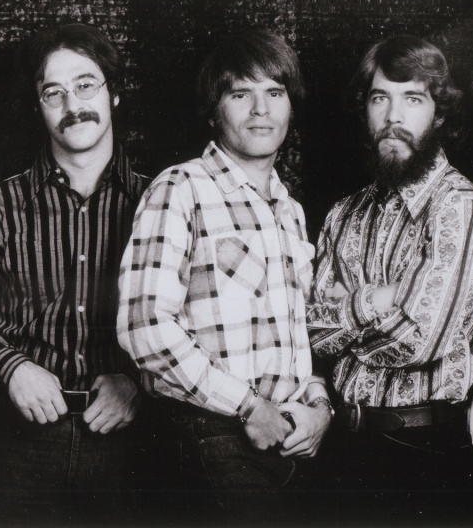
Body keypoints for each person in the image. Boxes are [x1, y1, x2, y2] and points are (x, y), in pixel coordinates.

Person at [0, 23, 149, 525]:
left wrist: (138, 380)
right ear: (37, 107)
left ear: (113, 94)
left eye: (86, 85)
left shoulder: (161, 200)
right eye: (54, 92)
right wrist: (11, 365)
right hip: (20, 443)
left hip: (132, 442)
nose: (73, 105)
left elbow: (197, 320)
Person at [116, 29, 332, 525]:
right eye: (240, 94)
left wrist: (319, 407)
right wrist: (249, 406)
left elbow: (299, 336)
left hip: (288, 441)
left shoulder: (291, 211)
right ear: (214, 111)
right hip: (212, 437)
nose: (261, 109)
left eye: (274, 93)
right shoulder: (181, 188)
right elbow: (143, 325)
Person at [305, 36, 473, 524]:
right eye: (380, 98)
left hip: (426, 456)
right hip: (342, 451)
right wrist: (381, 300)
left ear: (439, 114)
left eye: (412, 99)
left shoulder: (460, 208)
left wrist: (348, 307)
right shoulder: (343, 214)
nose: (393, 117)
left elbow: (418, 340)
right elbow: (310, 332)